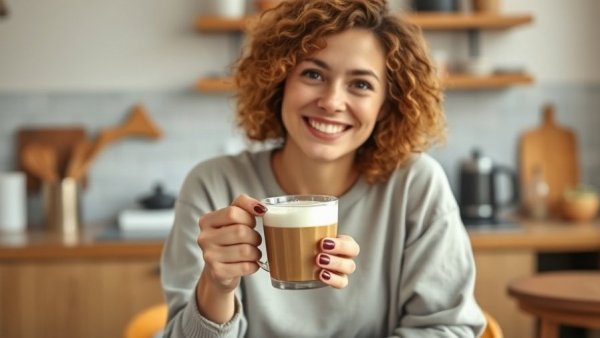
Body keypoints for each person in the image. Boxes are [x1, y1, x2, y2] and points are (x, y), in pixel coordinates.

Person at [160, 0, 486, 336]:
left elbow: (450, 328)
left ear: (386, 105)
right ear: (279, 79)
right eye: (313, 74)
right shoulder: (213, 185)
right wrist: (216, 286)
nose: (331, 102)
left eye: (360, 84)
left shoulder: (416, 185)